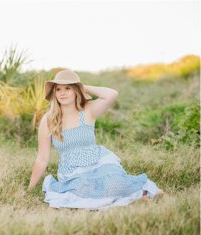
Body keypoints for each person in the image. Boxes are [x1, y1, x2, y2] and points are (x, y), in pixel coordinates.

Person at [28, 69, 160, 209]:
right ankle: (134, 199)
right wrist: (30, 188)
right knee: (83, 190)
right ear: (54, 93)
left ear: (76, 90)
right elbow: (42, 158)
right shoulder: (48, 119)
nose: (62, 93)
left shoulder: (88, 110)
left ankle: (142, 195)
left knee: (114, 182)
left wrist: (83, 86)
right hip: (72, 171)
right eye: (58, 89)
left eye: (68, 88)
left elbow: (112, 94)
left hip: (98, 161)